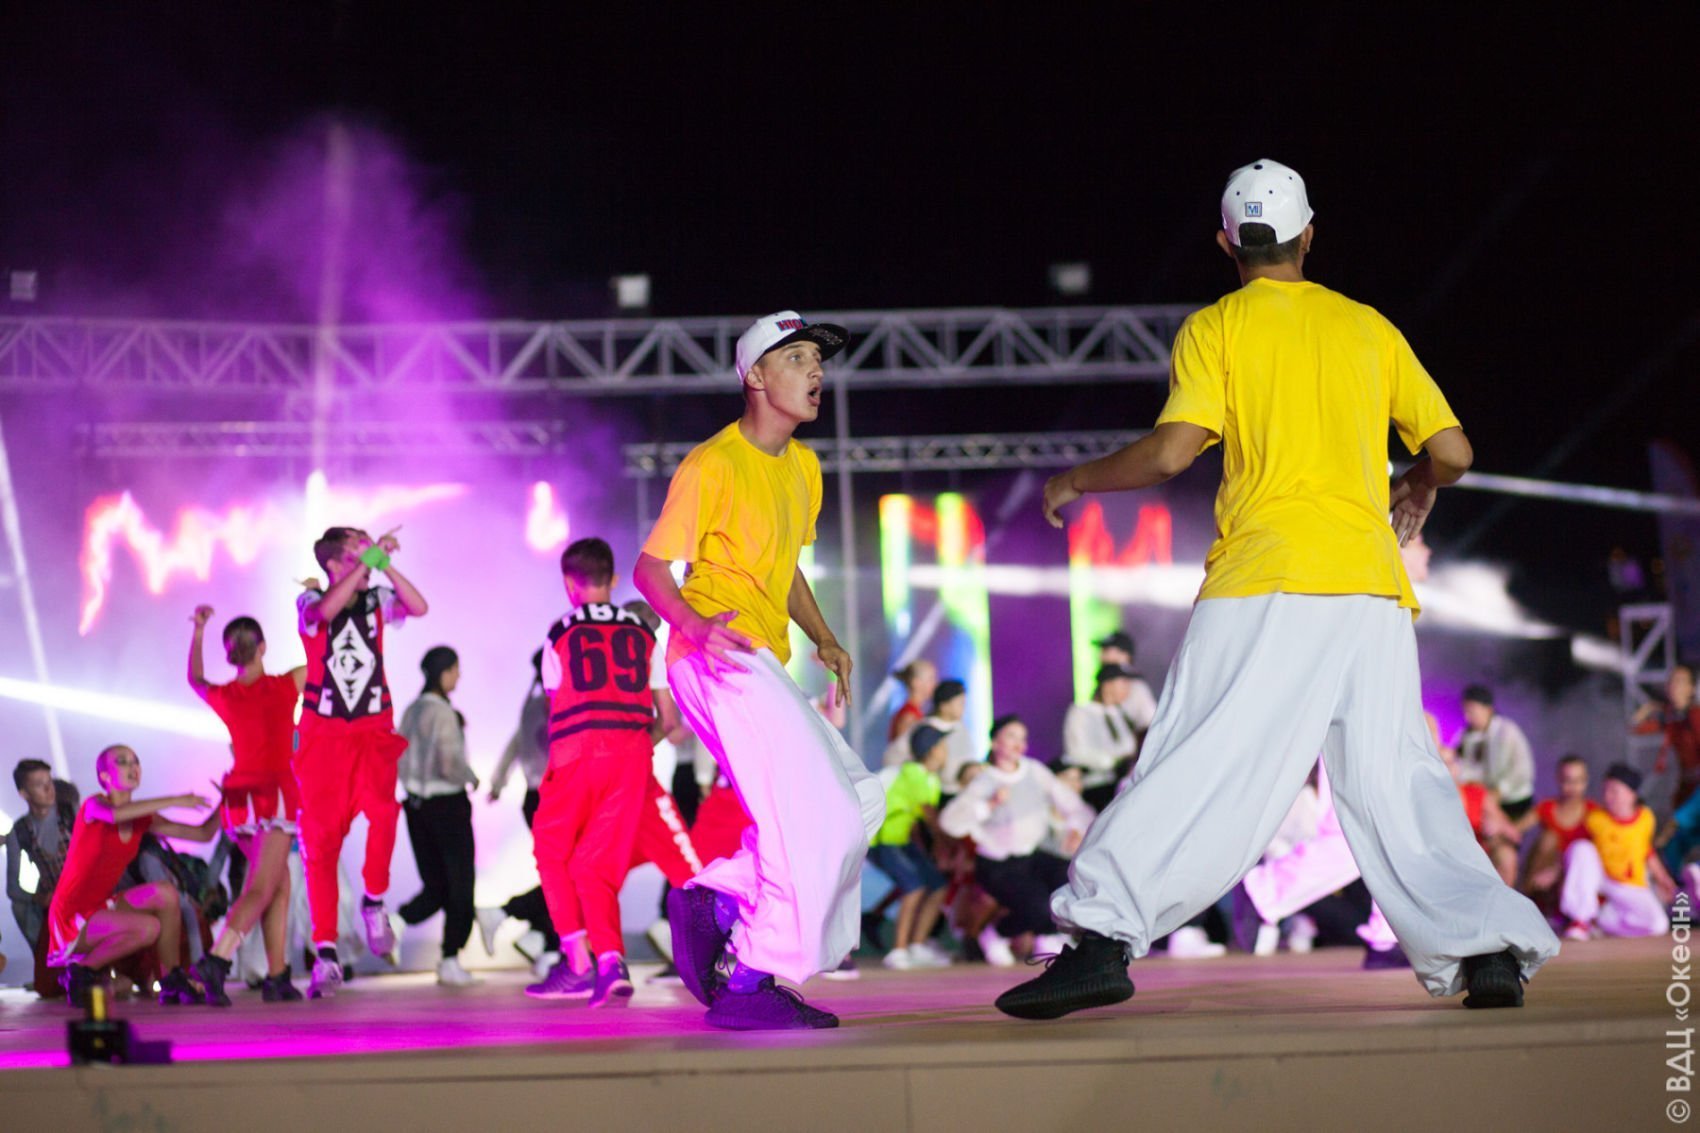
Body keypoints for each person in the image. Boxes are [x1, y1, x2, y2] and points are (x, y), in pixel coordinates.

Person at [997, 159, 1559, 1020]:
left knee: (1194, 754)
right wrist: (1417, 483)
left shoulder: (1217, 326)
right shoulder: (1367, 326)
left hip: (1265, 576)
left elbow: (1171, 451)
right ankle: (1486, 947)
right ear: (1309, 235)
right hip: (1370, 590)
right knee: (1397, 777)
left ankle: (1102, 940)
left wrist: (1075, 479)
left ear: (1227, 243)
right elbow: (1453, 452)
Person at [635, 310, 884, 1031]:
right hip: (716, 656)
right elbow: (649, 569)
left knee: (860, 800)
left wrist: (824, 636)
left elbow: (786, 568)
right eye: (797, 358)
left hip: (763, 659)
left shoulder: (803, 467)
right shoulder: (712, 463)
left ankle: (718, 898)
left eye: (818, 360)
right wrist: (693, 626)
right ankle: (747, 974)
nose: (817, 371)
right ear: (755, 377)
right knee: (811, 815)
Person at [524, 538, 659, 1008]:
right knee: (593, 862)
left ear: (569, 583)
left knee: (551, 851)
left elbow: (554, 698)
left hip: (578, 750)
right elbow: (664, 711)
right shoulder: (643, 632)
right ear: (613, 579)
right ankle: (609, 962)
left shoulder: (560, 631)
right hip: (632, 754)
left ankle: (579, 958)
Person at [295, 525, 427, 998]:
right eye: (357, 553)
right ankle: (326, 952)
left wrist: (385, 566)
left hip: (371, 728)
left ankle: (374, 901)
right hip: (325, 737)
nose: (367, 560)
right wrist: (363, 568)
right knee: (322, 844)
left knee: (385, 812)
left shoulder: (376, 601)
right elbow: (326, 612)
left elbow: (419, 606)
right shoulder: (310, 603)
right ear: (333, 563)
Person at [186, 606, 309, 1005]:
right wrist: (312, 607)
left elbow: (195, 679)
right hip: (272, 798)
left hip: (239, 801)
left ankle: (277, 975)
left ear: (229, 653)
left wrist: (199, 631)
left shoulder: (226, 695)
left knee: (278, 885)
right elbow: (322, 657)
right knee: (261, 887)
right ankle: (217, 961)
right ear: (263, 647)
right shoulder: (286, 685)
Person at [47, 745, 221, 1006]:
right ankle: (81, 971)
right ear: (105, 776)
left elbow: (202, 834)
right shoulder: (94, 806)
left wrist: (227, 801)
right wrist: (175, 800)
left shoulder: (143, 818)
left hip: (101, 907)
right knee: (149, 928)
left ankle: (171, 980)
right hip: (72, 915)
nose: (133, 767)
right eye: (122, 761)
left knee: (166, 893)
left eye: (135, 761)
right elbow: (115, 815)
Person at [939, 715, 1093, 967]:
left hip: (1030, 856)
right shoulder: (985, 781)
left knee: (1068, 877)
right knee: (1037, 904)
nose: (1018, 743)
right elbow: (950, 822)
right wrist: (989, 805)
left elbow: (1072, 804)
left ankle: (1047, 936)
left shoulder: (1035, 771)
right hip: (997, 863)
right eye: (1011, 736)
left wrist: (1075, 828)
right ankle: (996, 934)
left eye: (1022, 738)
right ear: (995, 742)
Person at [397, 645, 482, 986]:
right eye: (455, 669)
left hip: (416, 806)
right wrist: (471, 777)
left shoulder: (411, 710)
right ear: (444, 672)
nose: (459, 676)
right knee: (460, 884)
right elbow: (449, 763)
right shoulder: (443, 713)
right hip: (448, 805)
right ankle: (450, 957)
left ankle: (398, 921)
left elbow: (398, 756)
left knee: (436, 884)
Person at [477, 649, 560, 977]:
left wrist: (499, 782)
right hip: (552, 797)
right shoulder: (551, 703)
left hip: (535, 796)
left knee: (560, 871)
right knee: (566, 873)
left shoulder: (531, 704)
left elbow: (515, 745)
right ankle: (540, 937)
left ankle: (539, 936)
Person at [870, 723, 954, 970]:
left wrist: (933, 849)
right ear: (932, 750)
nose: (946, 751)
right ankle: (898, 950)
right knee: (914, 887)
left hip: (901, 840)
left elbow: (918, 823)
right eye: (943, 745)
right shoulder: (914, 773)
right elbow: (930, 817)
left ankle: (917, 945)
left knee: (937, 885)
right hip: (882, 840)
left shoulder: (931, 779)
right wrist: (948, 847)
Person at [1560, 764, 1674, 938]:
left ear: (1632, 794)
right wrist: (1553, 870)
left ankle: (1602, 920)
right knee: (1582, 848)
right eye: (1605, 790)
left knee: (1658, 925)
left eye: (1614, 791)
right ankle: (1580, 919)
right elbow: (1575, 855)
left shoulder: (1646, 818)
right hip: (1602, 878)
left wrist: (1663, 878)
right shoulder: (1595, 818)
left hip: (1630, 884)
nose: (1608, 797)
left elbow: (1647, 851)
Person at [6, 759, 75, 996]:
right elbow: (13, 888)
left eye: (49, 782)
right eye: (39, 784)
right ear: (24, 793)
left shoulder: (71, 814)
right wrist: (39, 898)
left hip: (83, 897)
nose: (48, 789)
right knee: (20, 906)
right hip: (52, 904)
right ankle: (47, 967)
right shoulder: (20, 831)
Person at [1062, 662, 1157, 811]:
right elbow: (1076, 751)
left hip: (1122, 784)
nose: (1129, 689)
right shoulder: (1081, 712)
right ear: (1107, 685)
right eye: (1123, 683)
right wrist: (1112, 762)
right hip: (1097, 787)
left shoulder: (1121, 713)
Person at [1517, 754, 1596, 911]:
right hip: (1542, 879)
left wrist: (1558, 870)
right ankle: (1526, 905)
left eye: (1578, 781)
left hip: (1572, 877)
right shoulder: (1546, 807)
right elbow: (1515, 830)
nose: (1572, 787)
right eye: (1567, 780)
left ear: (1586, 781)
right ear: (1558, 780)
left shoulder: (1595, 814)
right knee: (1549, 838)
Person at [1455, 685, 1536, 823]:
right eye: (1465, 711)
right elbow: (1467, 767)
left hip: (1514, 800)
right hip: (1487, 799)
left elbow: (1522, 769)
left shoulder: (1507, 731)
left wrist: (1500, 790)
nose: (1467, 717)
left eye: (1472, 711)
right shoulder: (1467, 736)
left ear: (1488, 709)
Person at [1636, 662, 1700, 809]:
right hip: (1685, 785)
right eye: (1671, 681)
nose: (1674, 686)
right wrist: (1647, 709)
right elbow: (1636, 729)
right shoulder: (1669, 716)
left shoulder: (1696, 715)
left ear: (1691, 688)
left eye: (1680, 681)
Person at [889, 659, 939, 743]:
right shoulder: (909, 716)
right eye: (931, 679)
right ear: (916, 683)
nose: (935, 684)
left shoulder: (914, 712)